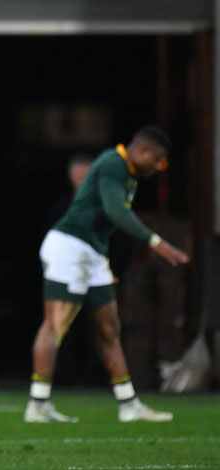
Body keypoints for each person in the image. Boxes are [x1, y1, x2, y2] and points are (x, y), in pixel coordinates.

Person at [25, 126, 190, 423]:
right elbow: (116, 212)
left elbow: (103, 220)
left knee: (110, 327)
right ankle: (38, 403)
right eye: (159, 159)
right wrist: (156, 241)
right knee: (56, 325)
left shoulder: (129, 172)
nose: (159, 166)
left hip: (92, 253)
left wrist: (100, 260)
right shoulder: (113, 163)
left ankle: (128, 404)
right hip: (69, 247)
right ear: (143, 151)